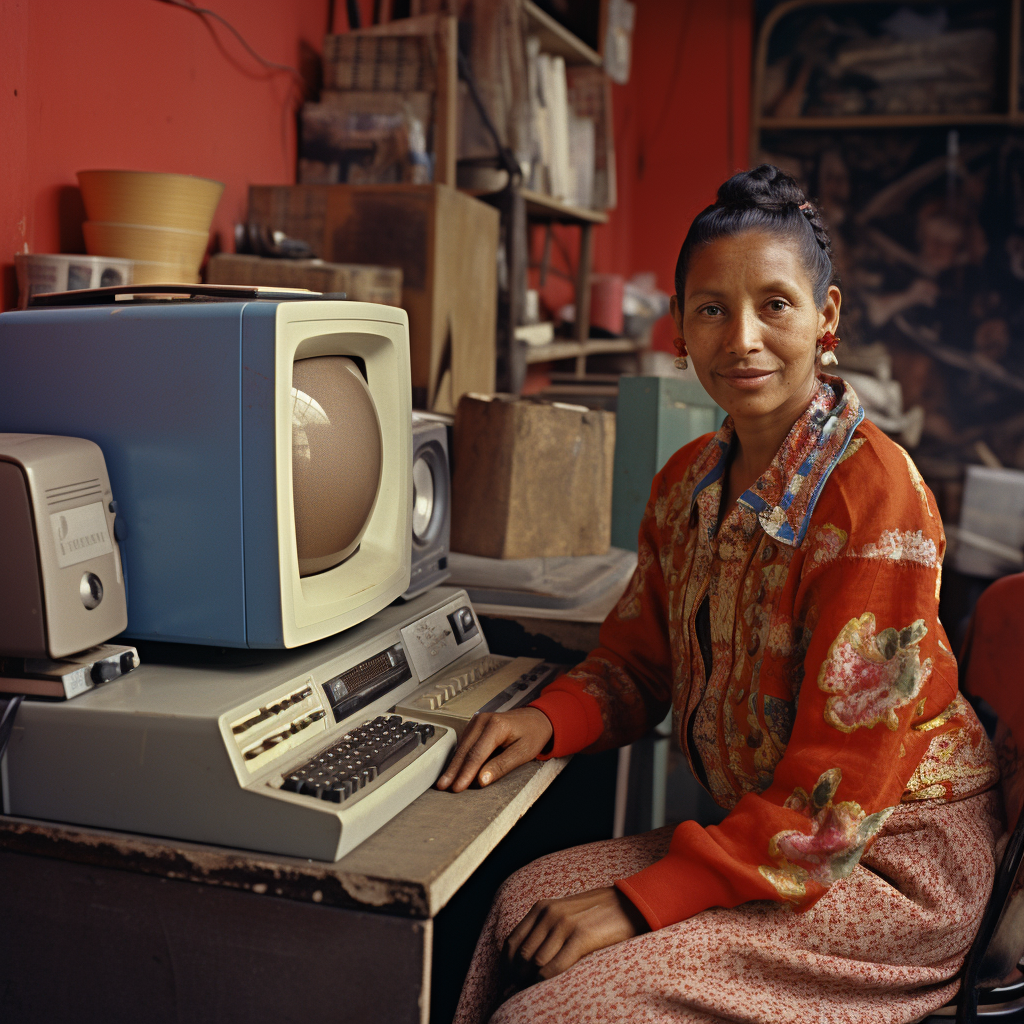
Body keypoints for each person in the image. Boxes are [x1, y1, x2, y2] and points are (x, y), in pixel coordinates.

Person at [437, 165, 1002, 1024]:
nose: (742, 337)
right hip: (770, 839)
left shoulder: (873, 494)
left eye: (774, 304)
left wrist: (637, 903)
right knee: (521, 905)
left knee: (552, 1011)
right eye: (711, 308)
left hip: (887, 861)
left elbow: (840, 792)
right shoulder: (686, 484)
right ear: (680, 329)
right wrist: (545, 722)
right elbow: (635, 664)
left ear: (827, 319)